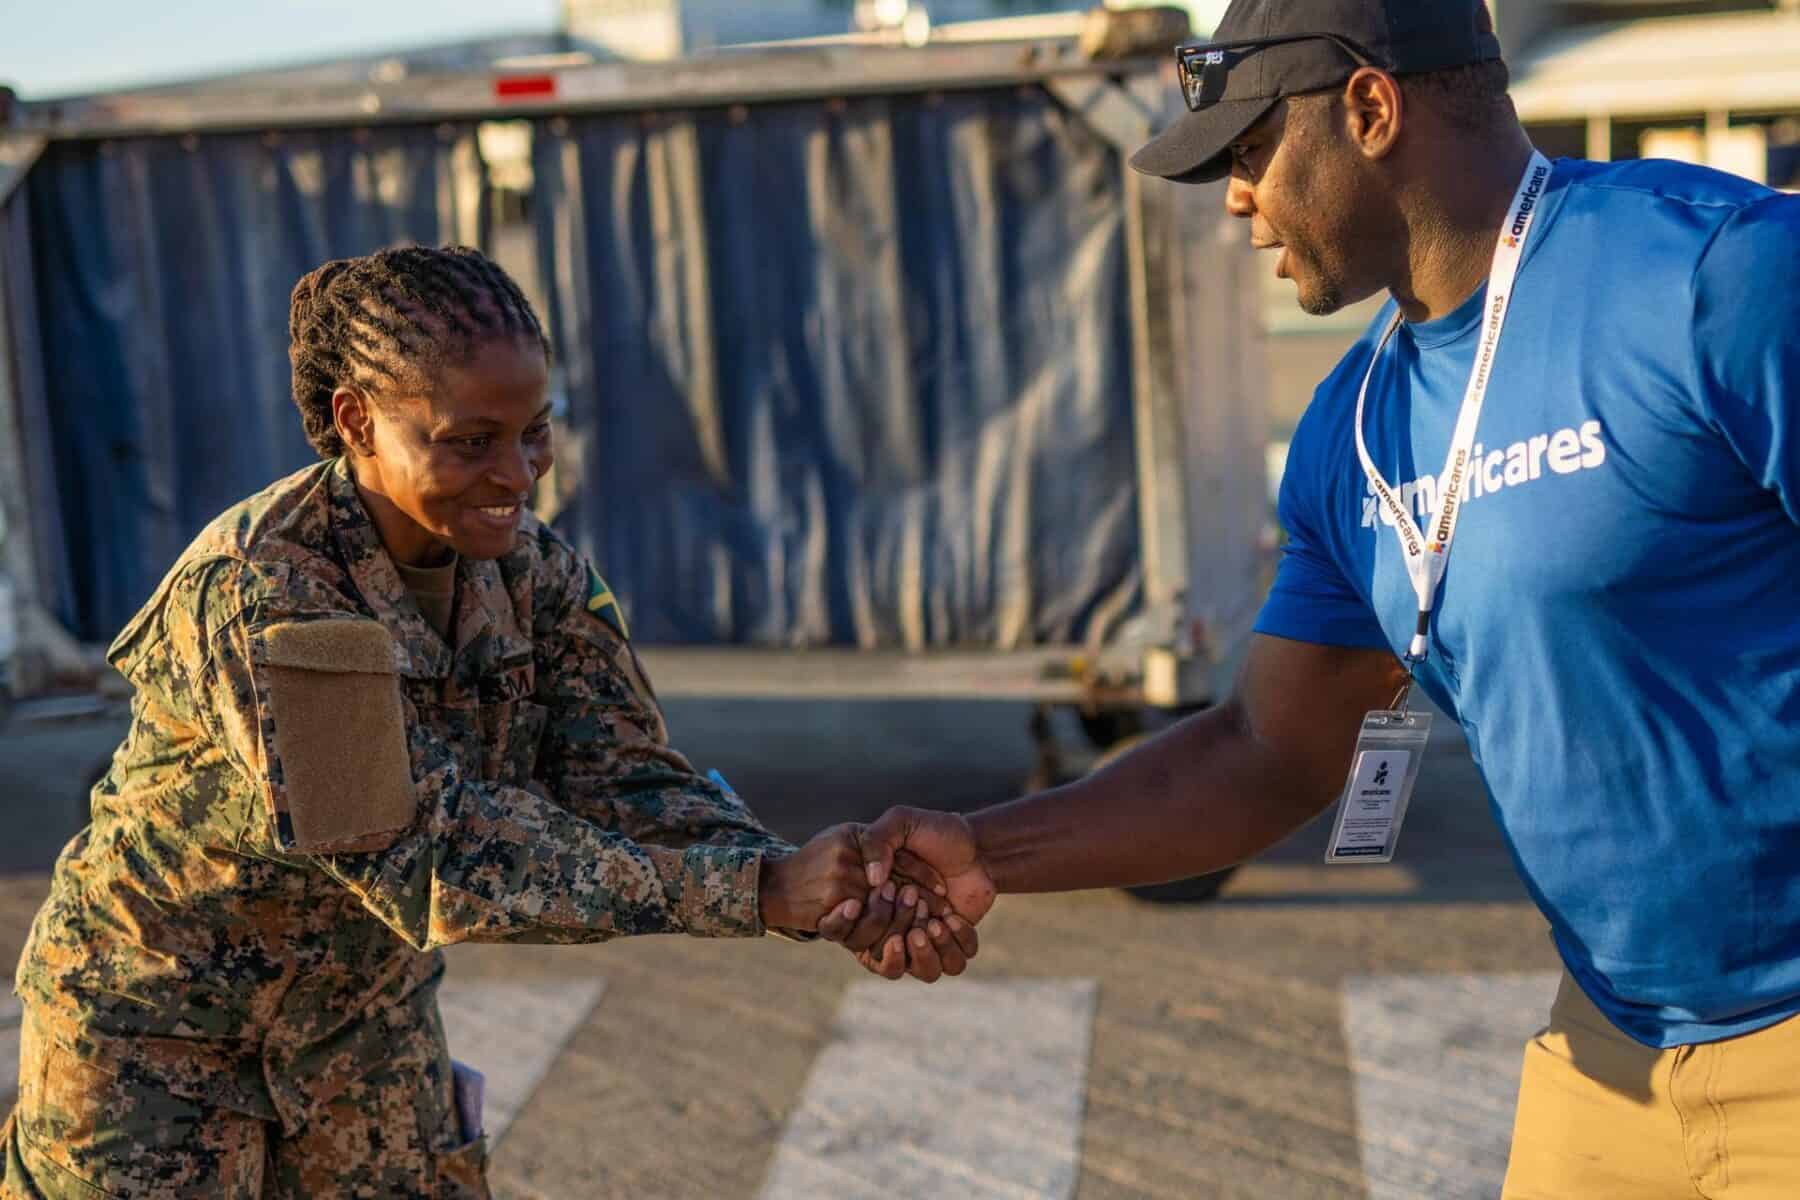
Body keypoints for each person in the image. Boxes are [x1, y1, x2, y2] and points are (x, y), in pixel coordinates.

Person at [854, 0, 1800, 1194]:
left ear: (1368, 108)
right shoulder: (1350, 435)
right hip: (1611, 1050)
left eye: (1251, 156)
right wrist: (984, 847)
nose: (1234, 201)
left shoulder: (1720, 278)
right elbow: (1266, 754)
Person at [0, 245, 972, 1198]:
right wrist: (758, 890)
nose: (518, 474)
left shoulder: (529, 569)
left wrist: (821, 882)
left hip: (359, 1030)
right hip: (161, 1043)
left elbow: (626, 778)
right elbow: (430, 855)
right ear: (357, 421)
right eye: (471, 441)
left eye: (535, 432)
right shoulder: (269, 592)